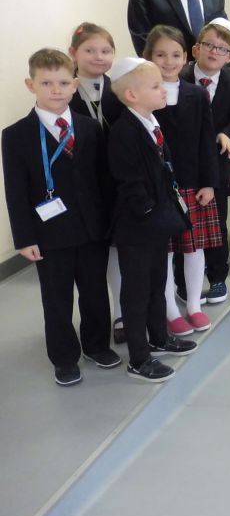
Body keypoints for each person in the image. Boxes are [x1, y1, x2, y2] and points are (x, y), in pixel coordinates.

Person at [2, 49, 117, 385]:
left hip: (91, 228)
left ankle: (96, 345)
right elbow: (15, 191)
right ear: (31, 85)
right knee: (57, 298)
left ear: (75, 85)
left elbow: (103, 181)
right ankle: (64, 357)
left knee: (95, 292)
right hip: (49, 233)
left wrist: (110, 224)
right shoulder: (16, 135)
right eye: (46, 83)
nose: (56, 89)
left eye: (64, 83)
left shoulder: (89, 128)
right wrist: (24, 238)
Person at [107, 58, 197, 381]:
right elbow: (128, 180)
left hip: (157, 221)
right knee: (137, 291)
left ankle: (159, 337)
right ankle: (138, 357)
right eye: (156, 86)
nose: (163, 90)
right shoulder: (124, 132)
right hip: (138, 226)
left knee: (159, 281)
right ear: (132, 95)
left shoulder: (151, 123)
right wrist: (148, 211)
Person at [144, 25, 220, 337]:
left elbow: (206, 140)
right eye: (160, 55)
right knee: (165, 251)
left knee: (193, 247)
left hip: (193, 183)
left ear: (187, 56)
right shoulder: (144, 94)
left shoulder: (197, 94)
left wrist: (209, 183)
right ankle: (170, 310)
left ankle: (194, 305)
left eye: (176, 54)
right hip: (159, 186)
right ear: (149, 57)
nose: (169, 61)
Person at [67, 23, 126, 341]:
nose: (98, 57)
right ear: (73, 53)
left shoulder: (120, 90)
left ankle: (121, 314)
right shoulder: (64, 92)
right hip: (82, 190)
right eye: (89, 50)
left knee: (117, 251)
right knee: (90, 263)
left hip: (117, 186)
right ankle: (94, 321)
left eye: (105, 51)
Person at [181, 18, 230, 306]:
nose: (215, 52)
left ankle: (218, 276)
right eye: (209, 45)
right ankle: (183, 281)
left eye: (222, 48)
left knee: (216, 221)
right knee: (183, 222)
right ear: (196, 49)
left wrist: (225, 133)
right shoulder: (179, 78)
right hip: (183, 163)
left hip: (217, 162)